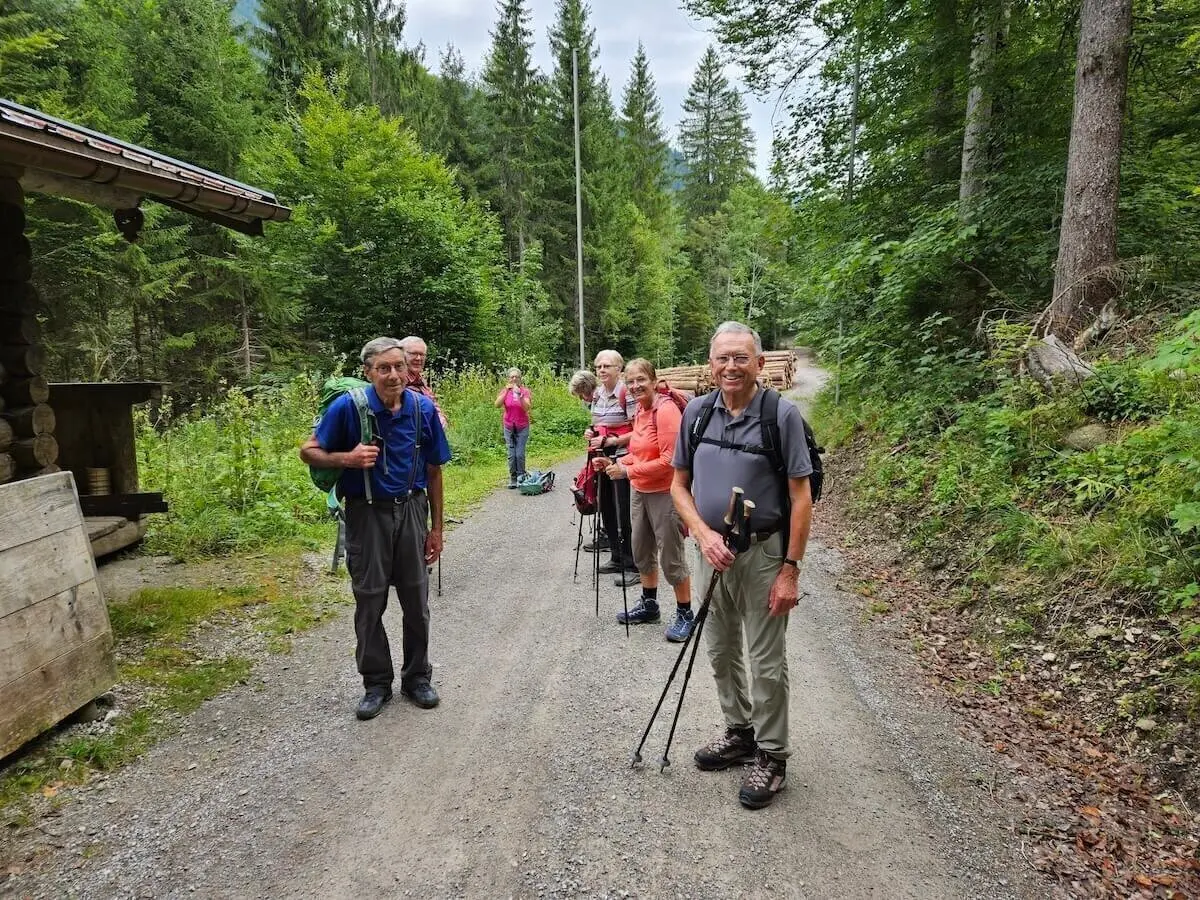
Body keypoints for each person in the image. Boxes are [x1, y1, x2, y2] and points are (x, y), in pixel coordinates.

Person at [670, 322, 813, 810]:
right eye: (722, 358)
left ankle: (772, 756)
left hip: (764, 554)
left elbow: (801, 494)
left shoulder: (781, 416)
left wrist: (791, 568)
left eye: (740, 358)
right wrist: (705, 535)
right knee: (720, 650)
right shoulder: (696, 412)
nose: (731, 367)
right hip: (712, 553)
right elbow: (678, 487)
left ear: (758, 363)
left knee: (767, 661)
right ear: (710, 364)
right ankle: (739, 733)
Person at [300, 337, 453, 720]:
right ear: (368, 372)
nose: (394, 375)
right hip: (366, 514)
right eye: (383, 368)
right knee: (369, 601)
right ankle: (376, 684)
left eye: (399, 366)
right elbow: (309, 450)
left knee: (417, 603)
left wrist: (436, 528)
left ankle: (417, 678)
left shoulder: (422, 409)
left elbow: (434, 469)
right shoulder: (349, 407)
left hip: (413, 509)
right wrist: (346, 458)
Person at [598, 358, 694, 641]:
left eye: (641, 379)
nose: (635, 385)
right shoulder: (640, 411)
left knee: (671, 556)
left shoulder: (665, 412)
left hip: (666, 492)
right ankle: (650, 604)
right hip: (640, 490)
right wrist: (613, 460)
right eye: (630, 381)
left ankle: (685, 612)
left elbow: (669, 461)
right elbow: (640, 452)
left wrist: (626, 470)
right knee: (641, 549)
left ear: (654, 380)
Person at [589, 350, 637, 584]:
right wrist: (591, 432)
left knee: (624, 510)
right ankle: (616, 557)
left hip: (622, 458)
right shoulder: (597, 394)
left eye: (607, 366)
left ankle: (632, 563)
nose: (602, 370)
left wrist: (613, 440)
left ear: (619, 369)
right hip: (600, 458)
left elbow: (639, 429)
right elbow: (597, 423)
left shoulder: (626, 393)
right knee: (605, 505)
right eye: (599, 367)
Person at [400, 335, 448, 429]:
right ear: (401, 355)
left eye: (422, 354)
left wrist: (441, 418)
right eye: (413, 353)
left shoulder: (420, 380)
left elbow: (434, 404)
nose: (418, 358)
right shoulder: (397, 380)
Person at [495, 367, 532, 488]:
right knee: (511, 454)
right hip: (509, 426)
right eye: (512, 377)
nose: (514, 379)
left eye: (516, 377)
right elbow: (497, 404)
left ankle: (521, 476)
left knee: (519, 454)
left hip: (522, 426)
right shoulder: (504, 391)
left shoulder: (524, 391)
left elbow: (527, 407)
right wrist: (506, 390)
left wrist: (519, 395)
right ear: (508, 379)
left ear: (520, 379)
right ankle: (513, 478)